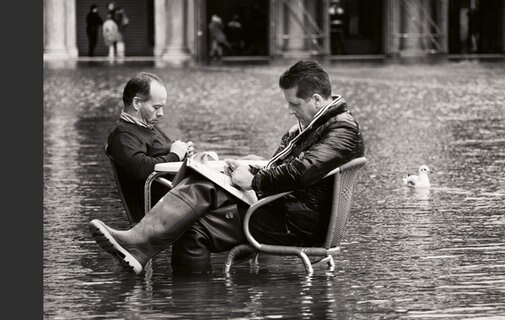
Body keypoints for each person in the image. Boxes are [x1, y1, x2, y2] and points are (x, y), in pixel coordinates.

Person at [89, 60, 365, 275]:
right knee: (205, 194)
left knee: (197, 215)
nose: (290, 110)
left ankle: (161, 273)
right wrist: (252, 170)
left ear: (317, 100)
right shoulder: (320, 125)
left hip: (295, 223)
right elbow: (293, 168)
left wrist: (254, 181)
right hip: (287, 211)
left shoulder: (341, 128)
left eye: (295, 104)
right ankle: (157, 264)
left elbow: (303, 170)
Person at [106, 72, 193, 223]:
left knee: (242, 165)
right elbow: (140, 168)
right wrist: (175, 156)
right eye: (156, 107)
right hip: (165, 209)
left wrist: (184, 152)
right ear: (136, 103)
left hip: (180, 197)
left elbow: (165, 153)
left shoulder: (147, 126)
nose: (161, 114)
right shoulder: (123, 134)